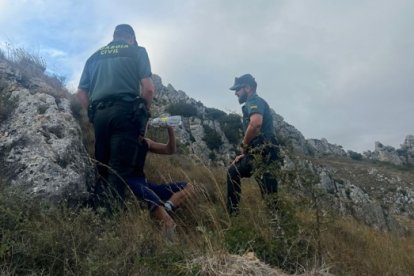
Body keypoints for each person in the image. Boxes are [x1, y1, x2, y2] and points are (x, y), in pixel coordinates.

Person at [226, 73, 281, 215]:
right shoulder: (253, 102)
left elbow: (256, 123)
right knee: (269, 193)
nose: (236, 94)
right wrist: (244, 154)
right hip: (262, 151)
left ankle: (233, 216)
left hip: (265, 151)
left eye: (237, 90)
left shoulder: (253, 101)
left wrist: (243, 146)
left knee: (234, 172)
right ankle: (278, 227)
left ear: (248, 88)